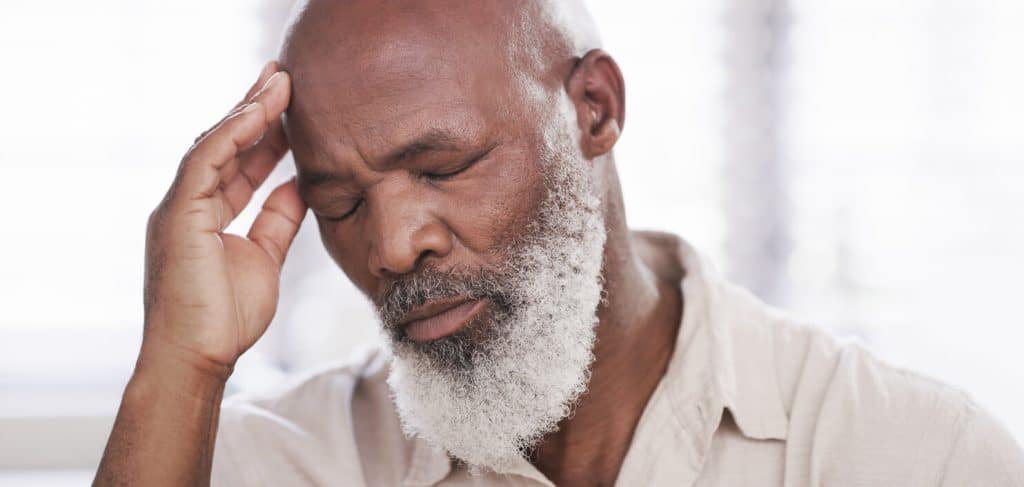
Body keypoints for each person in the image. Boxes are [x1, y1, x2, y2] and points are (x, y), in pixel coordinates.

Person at [93, 0, 1024, 485]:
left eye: (443, 165)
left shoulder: (912, 454)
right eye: (339, 204)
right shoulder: (270, 462)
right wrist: (181, 361)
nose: (392, 245)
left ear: (595, 109)